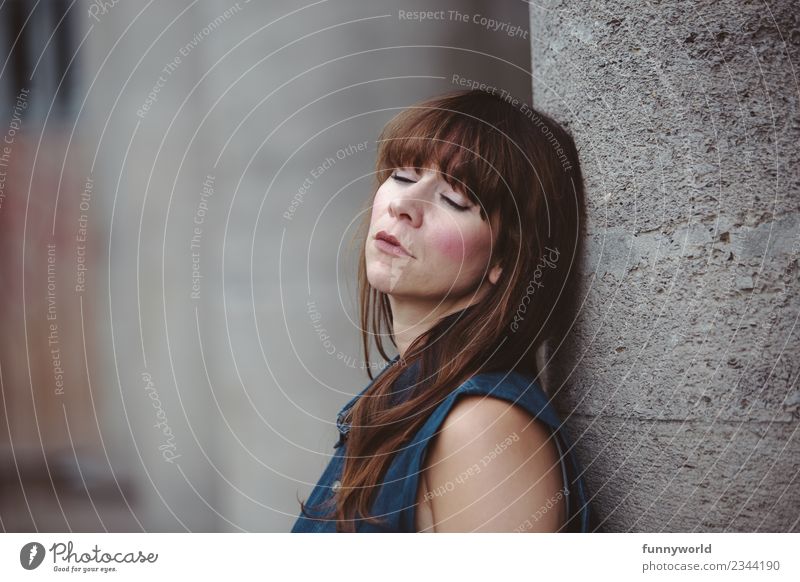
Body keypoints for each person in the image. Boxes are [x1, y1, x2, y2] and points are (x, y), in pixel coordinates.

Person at [292, 88, 590, 532]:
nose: (404, 206)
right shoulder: (403, 400)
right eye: (404, 176)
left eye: (454, 200)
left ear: (505, 260)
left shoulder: (481, 427)